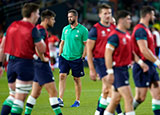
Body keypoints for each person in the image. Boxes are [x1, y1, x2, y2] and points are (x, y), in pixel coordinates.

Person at [0, 3, 46, 115]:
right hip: (25, 64)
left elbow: (2, 47)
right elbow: (42, 49)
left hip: (10, 64)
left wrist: (0, 65)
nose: (38, 16)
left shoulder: (12, 26)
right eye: (38, 13)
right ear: (32, 14)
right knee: (19, 99)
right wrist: (42, 39)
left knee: (12, 95)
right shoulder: (32, 29)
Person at [24, 9, 62, 115]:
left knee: (35, 93)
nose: (54, 21)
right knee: (53, 92)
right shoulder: (41, 30)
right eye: (53, 19)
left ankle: (27, 113)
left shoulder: (38, 29)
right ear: (46, 19)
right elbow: (37, 46)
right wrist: (42, 58)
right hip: (41, 65)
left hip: (35, 64)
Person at [87, 4, 123, 115]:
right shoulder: (95, 30)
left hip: (112, 62)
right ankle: (120, 113)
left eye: (109, 13)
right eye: (105, 13)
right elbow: (88, 50)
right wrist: (92, 69)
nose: (108, 15)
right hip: (100, 62)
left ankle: (99, 113)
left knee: (106, 91)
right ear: (99, 15)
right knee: (113, 89)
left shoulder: (113, 28)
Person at [104, 10, 135, 115]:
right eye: (128, 19)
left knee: (115, 100)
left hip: (124, 70)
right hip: (118, 70)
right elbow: (107, 53)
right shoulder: (115, 35)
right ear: (121, 20)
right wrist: (110, 72)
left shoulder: (126, 35)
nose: (130, 21)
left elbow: (131, 53)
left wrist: (140, 62)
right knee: (129, 98)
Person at [132, 6, 160, 115]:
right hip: (142, 66)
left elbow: (150, 50)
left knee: (158, 94)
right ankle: (127, 113)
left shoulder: (146, 29)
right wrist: (157, 62)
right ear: (148, 15)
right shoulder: (140, 30)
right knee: (140, 97)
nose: (154, 17)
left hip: (150, 66)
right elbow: (143, 50)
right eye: (153, 15)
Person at [58, 9, 88, 107]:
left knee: (76, 79)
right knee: (62, 76)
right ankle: (60, 99)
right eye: (68, 17)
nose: (69, 18)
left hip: (76, 59)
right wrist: (59, 53)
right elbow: (62, 42)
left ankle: (77, 101)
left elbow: (86, 45)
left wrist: (83, 57)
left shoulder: (83, 30)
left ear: (76, 17)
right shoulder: (65, 29)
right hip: (64, 57)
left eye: (71, 17)